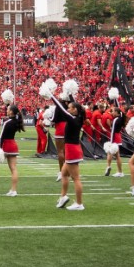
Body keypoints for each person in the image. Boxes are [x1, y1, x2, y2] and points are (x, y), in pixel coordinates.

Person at [50, 80, 86, 211]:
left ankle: (79, 203)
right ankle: (63, 196)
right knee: (64, 174)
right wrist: (70, 93)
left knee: (76, 178)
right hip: (72, 148)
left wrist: (51, 95)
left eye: (70, 107)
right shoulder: (79, 116)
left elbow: (61, 109)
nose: (68, 109)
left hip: (72, 150)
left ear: (74, 110)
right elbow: (75, 105)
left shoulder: (72, 118)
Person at [0, 103, 24, 197]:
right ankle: (13, 190)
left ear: (11, 111)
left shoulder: (7, 122)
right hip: (13, 146)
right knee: (14, 169)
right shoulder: (16, 121)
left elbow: (1, 137)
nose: (6, 110)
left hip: (6, 146)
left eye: (8, 109)